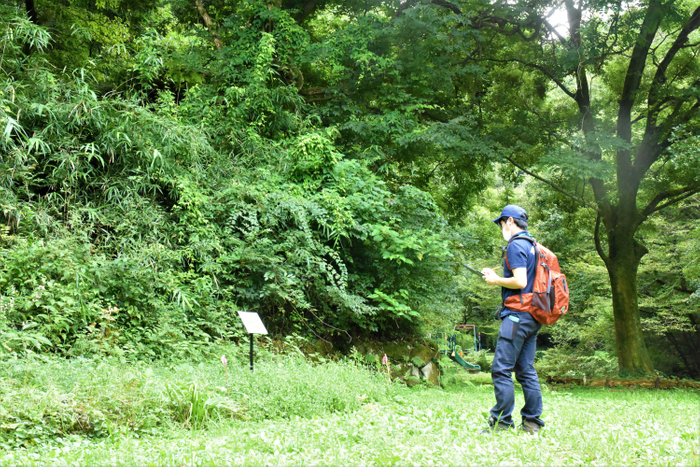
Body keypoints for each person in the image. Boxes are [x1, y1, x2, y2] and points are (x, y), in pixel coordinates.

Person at [480, 204, 545, 435]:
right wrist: (497, 276)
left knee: (501, 369)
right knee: (526, 370)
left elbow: (519, 281)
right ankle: (532, 424)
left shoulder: (515, 245)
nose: (500, 228)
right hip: (532, 315)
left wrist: (496, 280)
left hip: (517, 316)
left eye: (501, 223)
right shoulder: (532, 246)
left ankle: (501, 423)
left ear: (509, 221)